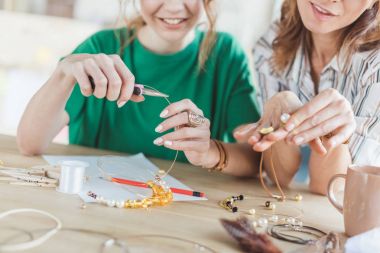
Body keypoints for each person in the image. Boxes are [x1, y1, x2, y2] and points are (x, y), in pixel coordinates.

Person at [17, 0, 261, 174]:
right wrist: (63, 74)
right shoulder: (100, 48)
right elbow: (29, 144)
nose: (174, 6)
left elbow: (256, 159)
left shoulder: (227, 55)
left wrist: (210, 152)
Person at [234, 0, 380, 194]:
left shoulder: (375, 67)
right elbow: (279, 176)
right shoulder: (273, 43)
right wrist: (283, 104)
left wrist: (332, 130)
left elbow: (332, 188)